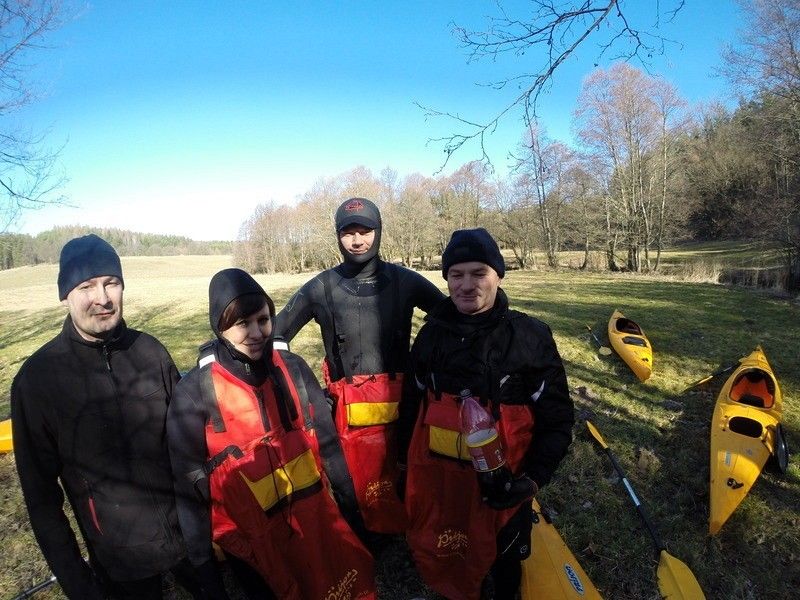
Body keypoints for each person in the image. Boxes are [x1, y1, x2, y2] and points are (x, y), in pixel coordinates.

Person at [11, 234, 203, 600]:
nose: (102, 297)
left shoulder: (150, 352)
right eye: (86, 286)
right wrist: (79, 585)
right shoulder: (38, 382)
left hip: (189, 534)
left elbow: (191, 442)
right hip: (120, 562)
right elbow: (41, 501)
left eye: (110, 283)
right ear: (65, 295)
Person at [167, 268, 376, 600]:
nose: (255, 333)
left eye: (262, 320)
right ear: (219, 327)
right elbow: (189, 493)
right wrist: (208, 579)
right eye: (241, 324)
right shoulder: (194, 394)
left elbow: (330, 449)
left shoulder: (293, 368)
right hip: (251, 546)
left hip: (311, 523)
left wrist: (355, 523)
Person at [397, 228, 575, 600]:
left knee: (505, 566)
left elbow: (557, 420)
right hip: (441, 485)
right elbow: (412, 408)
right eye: (456, 275)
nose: (466, 285)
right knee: (447, 554)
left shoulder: (529, 337)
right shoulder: (430, 337)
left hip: (503, 491)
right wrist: (402, 467)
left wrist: (532, 481)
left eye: (479, 273)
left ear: (498, 275)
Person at [273, 197, 445, 537]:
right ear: (337, 236)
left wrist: (432, 360)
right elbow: (277, 334)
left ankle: (404, 526)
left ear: (378, 232)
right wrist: (297, 385)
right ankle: (362, 531)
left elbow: (448, 317)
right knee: (353, 476)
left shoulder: (404, 281)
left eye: (365, 231)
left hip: (401, 401)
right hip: (346, 407)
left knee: (401, 467)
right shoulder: (321, 287)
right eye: (348, 232)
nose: (357, 240)